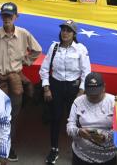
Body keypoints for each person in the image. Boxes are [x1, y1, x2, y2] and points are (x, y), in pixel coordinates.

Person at [0, 2, 42, 162]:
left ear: (16, 17)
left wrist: (26, 61)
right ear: (1, 17)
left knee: (12, 115)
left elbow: (37, 50)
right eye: (4, 15)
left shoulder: (24, 34)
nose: (7, 19)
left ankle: (7, 145)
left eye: (10, 16)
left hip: (15, 80)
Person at [40, 20, 91, 164]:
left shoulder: (81, 49)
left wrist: (81, 92)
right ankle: (54, 149)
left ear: (74, 34)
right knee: (55, 118)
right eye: (63, 29)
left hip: (74, 88)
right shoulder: (54, 47)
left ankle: (79, 150)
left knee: (76, 120)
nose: (65, 33)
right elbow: (44, 69)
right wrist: (46, 88)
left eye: (68, 30)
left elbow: (86, 72)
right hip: (56, 86)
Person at [66, 72, 117, 165]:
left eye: (96, 93)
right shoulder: (78, 102)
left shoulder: (114, 102)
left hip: (108, 157)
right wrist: (79, 132)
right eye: (90, 93)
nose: (93, 97)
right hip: (81, 156)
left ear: (104, 87)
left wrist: (106, 136)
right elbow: (70, 126)